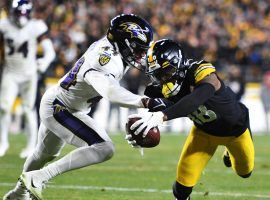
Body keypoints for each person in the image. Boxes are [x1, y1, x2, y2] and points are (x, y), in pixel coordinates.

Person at [3, 13, 168, 200]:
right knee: (104, 148)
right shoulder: (104, 58)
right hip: (61, 108)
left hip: (62, 102)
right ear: (124, 42)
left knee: (43, 154)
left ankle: (18, 194)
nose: (139, 55)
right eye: (138, 49)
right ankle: (39, 178)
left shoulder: (115, 49)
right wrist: (144, 101)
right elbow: (110, 91)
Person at [127, 39, 254, 200]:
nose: (162, 79)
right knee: (183, 183)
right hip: (203, 132)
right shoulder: (167, 87)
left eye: (164, 73)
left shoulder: (200, 70)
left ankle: (229, 152)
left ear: (177, 63)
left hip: (236, 131)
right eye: (157, 75)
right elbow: (159, 102)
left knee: (244, 171)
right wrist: (140, 127)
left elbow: (198, 98)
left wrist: (162, 116)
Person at [0, 0, 56, 158]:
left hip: (29, 73)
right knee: (4, 107)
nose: (21, 17)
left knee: (28, 109)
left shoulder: (36, 26)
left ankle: (31, 146)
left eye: (23, 13)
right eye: (18, 13)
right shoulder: (4, 25)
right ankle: (3, 143)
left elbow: (50, 52)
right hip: (10, 72)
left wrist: (43, 63)